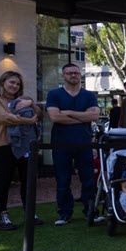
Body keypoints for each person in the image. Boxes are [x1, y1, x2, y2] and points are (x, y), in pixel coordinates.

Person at [45, 63, 100, 226]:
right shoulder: (54, 94)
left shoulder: (89, 95)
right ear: (63, 76)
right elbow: (55, 117)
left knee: (88, 179)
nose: (73, 75)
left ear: (80, 75)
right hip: (61, 143)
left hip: (84, 143)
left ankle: (90, 211)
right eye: (69, 73)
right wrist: (82, 116)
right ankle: (64, 213)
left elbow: (94, 116)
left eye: (76, 73)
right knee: (63, 180)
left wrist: (67, 112)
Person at [0, 71, 40, 230]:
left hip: (25, 146)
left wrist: (31, 104)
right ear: (3, 82)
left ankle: (30, 213)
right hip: (4, 145)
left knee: (28, 181)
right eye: (11, 82)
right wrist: (28, 119)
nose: (15, 86)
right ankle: (2, 217)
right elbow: (4, 118)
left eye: (17, 84)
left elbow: (39, 115)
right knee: (3, 182)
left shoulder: (22, 100)